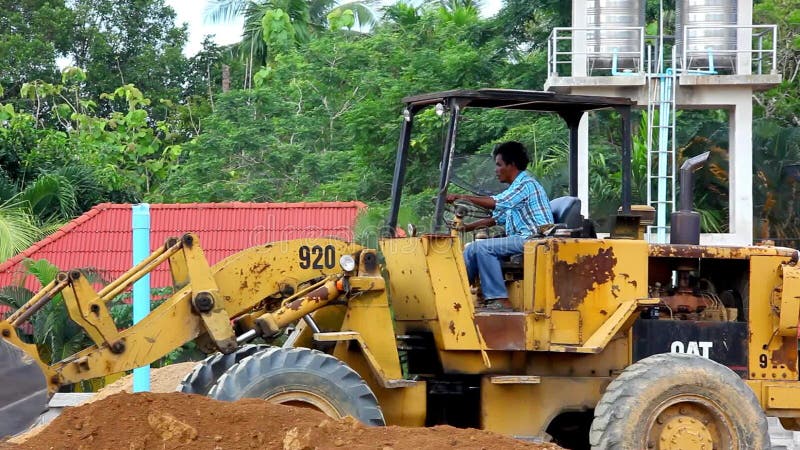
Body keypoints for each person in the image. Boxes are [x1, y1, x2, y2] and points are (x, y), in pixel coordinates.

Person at [446, 141, 553, 311]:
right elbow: (496, 218)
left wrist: (462, 196)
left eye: (499, 165)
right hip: (522, 240)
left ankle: (499, 299)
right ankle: (455, 294)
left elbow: (497, 203)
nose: (496, 170)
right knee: (472, 248)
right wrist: (465, 228)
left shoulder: (526, 185)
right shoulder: (515, 189)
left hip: (535, 240)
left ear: (511, 165)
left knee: (482, 248)